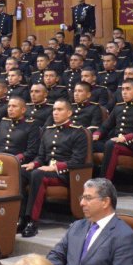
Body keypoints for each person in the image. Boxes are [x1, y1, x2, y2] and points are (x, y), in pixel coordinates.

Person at [47, 179, 133, 265]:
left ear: (105, 202)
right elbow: (55, 255)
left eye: (88, 198)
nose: (82, 203)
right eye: (82, 197)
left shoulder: (125, 235)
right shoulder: (77, 226)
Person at [19, 99, 88, 238]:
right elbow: (41, 156)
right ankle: (21, 218)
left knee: (38, 174)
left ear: (69, 113)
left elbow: (78, 161)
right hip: (46, 171)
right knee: (21, 172)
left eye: (60, 109)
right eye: (54, 109)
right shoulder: (48, 131)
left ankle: (32, 221)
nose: (55, 112)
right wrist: (34, 164)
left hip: (65, 174)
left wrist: (55, 167)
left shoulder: (78, 132)